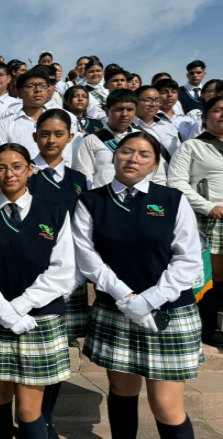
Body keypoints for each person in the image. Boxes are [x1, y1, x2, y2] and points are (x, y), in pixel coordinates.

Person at [75, 131, 202, 439]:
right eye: (126, 151)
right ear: (114, 156)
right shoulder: (92, 201)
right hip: (115, 310)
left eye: (144, 154)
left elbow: (189, 259)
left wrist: (149, 300)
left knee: (165, 405)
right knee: (121, 390)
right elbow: (87, 257)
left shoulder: (172, 199)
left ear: (155, 164)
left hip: (168, 314)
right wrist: (126, 297)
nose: (133, 158)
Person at [0, 142, 75, 439]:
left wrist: (21, 306)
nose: (8, 173)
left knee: (28, 410)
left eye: (16, 166)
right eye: (0, 167)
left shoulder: (54, 211)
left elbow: (62, 271)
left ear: (30, 169)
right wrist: (1, 309)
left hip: (38, 319)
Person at [26, 110, 88, 438]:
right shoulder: (25, 173)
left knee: (56, 351)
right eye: (45, 134)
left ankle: (45, 418)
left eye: (58, 134)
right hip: (29, 275)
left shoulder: (79, 180)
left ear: (69, 137)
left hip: (68, 275)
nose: (51, 140)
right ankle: (29, 417)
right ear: (35, 136)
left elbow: (82, 230)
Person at [168, 96, 223, 347]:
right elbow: (176, 182)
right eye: (217, 110)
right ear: (204, 117)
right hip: (208, 219)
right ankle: (209, 325)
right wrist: (208, 206)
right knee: (210, 274)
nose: (222, 114)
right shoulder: (192, 147)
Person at [74, 89, 166, 189]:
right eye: (118, 109)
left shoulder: (146, 139)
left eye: (130, 109)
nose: (124, 114)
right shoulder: (91, 141)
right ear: (107, 111)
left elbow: (158, 177)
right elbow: (83, 178)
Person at [0, 68, 73, 164]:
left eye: (42, 86)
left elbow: (66, 159)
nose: (38, 90)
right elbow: (0, 160)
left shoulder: (60, 122)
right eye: (30, 86)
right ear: (19, 93)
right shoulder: (5, 125)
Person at [133, 86, 181, 162]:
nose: (154, 104)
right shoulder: (129, 128)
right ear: (135, 101)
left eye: (157, 100)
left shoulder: (169, 126)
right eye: (148, 100)